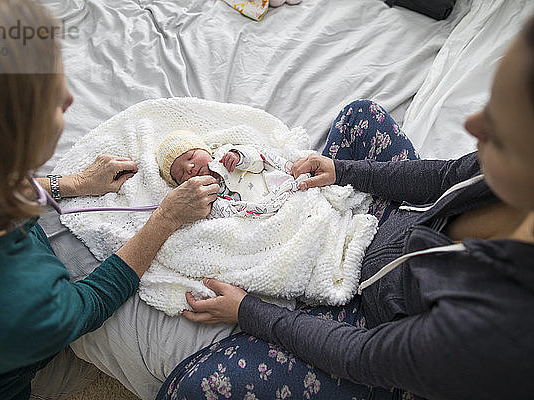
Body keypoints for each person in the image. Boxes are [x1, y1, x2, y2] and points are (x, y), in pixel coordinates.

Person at [156, 16, 534, 400]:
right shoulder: (505, 179)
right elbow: (445, 177)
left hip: (370, 325)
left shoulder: (496, 327)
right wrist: (341, 171)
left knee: (190, 389)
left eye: (498, 131)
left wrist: (247, 310)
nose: (471, 125)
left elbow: (360, 355)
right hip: (384, 224)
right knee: (360, 114)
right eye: (490, 104)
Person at [0, 1, 220, 399]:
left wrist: (71, 183)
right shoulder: (19, 298)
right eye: (51, 98)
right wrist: (165, 219)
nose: (69, 98)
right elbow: (87, 303)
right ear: (3, 139)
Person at [156, 129, 308, 218]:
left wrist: (240, 157)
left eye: (191, 156)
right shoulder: (203, 196)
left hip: (276, 188)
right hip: (256, 215)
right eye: (182, 173)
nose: (190, 167)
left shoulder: (225, 156)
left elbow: (258, 162)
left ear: (205, 149)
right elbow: (219, 217)